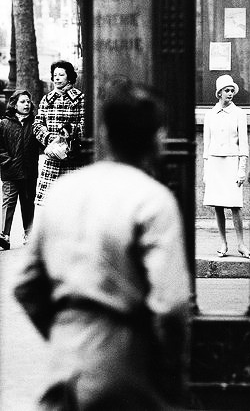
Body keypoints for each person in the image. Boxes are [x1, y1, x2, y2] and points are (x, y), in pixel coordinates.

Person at [14, 82, 191, 410]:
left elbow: (26, 286)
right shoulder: (152, 199)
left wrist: (65, 329)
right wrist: (168, 368)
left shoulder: (62, 192)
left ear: (105, 133)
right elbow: (171, 303)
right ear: (156, 140)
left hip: (65, 363)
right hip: (126, 360)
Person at [203, 74, 250, 259]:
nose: (230, 93)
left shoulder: (239, 114)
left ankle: (241, 244)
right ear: (219, 93)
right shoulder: (210, 115)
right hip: (215, 163)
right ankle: (223, 243)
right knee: (218, 206)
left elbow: (244, 145)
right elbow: (206, 146)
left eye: (232, 90)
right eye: (227, 90)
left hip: (232, 163)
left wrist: (241, 169)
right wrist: (206, 172)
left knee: (235, 206)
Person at [33, 60, 85, 206]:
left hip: (73, 158)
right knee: (52, 207)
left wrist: (71, 131)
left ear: (69, 77)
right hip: (53, 158)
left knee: (73, 205)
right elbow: (37, 124)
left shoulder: (80, 99)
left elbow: (86, 124)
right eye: (55, 75)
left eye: (61, 74)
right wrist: (49, 138)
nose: (57, 78)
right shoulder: (46, 100)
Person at [0, 90, 40, 250]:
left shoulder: (36, 123)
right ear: (14, 104)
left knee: (28, 203)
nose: (27, 105)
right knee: (8, 202)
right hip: (10, 171)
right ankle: (4, 236)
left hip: (29, 171)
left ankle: (28, 234)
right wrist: (6, 161)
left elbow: (41, 144)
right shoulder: (4, 124)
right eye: (23, 102)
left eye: (28, 102)